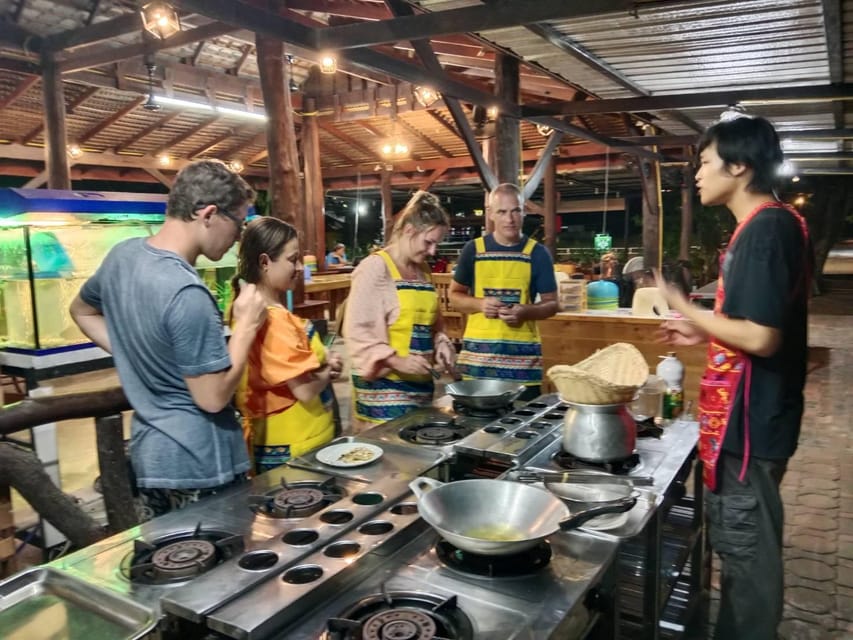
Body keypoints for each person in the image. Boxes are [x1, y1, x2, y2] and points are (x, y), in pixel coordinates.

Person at [654, 113, 812, 640]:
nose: (697, 174)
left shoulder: (765, 229)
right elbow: (755, 325)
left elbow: (763, 336)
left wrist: (686, 308)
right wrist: (704, 334)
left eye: (704, 162)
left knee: (747, 568)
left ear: (739, 165)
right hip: (757, 422)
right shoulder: (770, 223)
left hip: (749, 431)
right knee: (741, 559)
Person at [69, 159, 267, 519]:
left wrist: (134, 353)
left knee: (170, 567)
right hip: (202, 463)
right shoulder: (187, 292)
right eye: (238, 224)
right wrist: (246, 327)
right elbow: (211, 398)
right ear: (208, 214)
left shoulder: (122, 257)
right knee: (219, 571)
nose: (238, 237)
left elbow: (82, 311)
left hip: (152, 456)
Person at [232, 217, 343, 473]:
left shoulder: (249, 307)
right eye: (292, 259)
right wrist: (329, 370)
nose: (299, 266)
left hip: (290, 439)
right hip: (296, 445)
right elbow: (303, 390)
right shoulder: (270, 317)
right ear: (264, 262)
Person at [345, 191, 455, 430]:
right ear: (408, 231)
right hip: (383, 392)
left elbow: (434, 322)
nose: (433, 251)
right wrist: (396, 360)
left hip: (420, 389)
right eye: (429, 242)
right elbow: (357, 332)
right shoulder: (375, 269)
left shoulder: (423, 270)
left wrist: (442, 341)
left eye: (437, 243)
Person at [449, 183, 558, 400]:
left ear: (524, 211)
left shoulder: (537, 253)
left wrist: (524, 311)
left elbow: (552, 304)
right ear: (490, 214)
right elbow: (454, 296)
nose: (510, 219)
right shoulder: (474, 250)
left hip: (523, 367)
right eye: (502, 212)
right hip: (478, 363)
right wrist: (480, 304)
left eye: (515, 210)